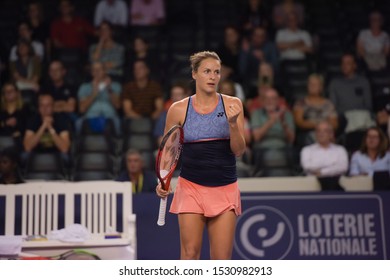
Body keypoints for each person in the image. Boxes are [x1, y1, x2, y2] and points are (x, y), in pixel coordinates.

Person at [155, 51, 246, 260]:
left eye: (217, 72)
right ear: (194, 74)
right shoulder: (177, 110)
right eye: (207, 71)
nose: (213, 76)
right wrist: (163, 181)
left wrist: (232, 124)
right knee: (189, 256)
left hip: (225, 190)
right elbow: (168, 151)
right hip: (191, 189)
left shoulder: (233, 105)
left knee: (221, 262)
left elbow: (239, 150)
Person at [300, 121, 349, 190]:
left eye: (325, 131)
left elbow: (343, 167)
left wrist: (322, 172)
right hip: (311, 188)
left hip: (335, 186)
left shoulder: (340, 150)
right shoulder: (307, 150)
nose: (321, 134)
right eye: (318, 131)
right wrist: (332, 165)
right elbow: (307, 166)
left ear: (331, 134)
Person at [77, 62, 121, 135]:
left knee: (117, 122)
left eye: (99, 69)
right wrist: (94, 93)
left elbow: (117, 106)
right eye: (94, 70)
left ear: (105, 71)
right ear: (91, 73)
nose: (96, 72)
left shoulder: (115, 86)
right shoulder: (84, 87)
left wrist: (109, 89)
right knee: (79, 123)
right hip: (90, 117)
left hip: (110, 117)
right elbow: (82, 109)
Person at [23, 93, 71, 163]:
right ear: (39, 108)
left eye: (48, 105)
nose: (45, 109)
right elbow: (27, 147)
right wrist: (43, 127)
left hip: (57, 153)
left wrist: (50, 128)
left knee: (65, 157)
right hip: (36, 153)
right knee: (24, 156)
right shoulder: (33, 120)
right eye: (42, 105)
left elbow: (64, 148)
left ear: (53, 107)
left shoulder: (61, 120)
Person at [293, 74, 338, 147]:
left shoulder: (328, 104)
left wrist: (323, 129)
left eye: (315, 84)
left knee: (328, 135)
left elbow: (335, 124)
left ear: (321, 87)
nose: (312, 86)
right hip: (308, 134)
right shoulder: (300, 103)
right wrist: (319, 125)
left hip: (327, 133)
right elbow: (299, 122)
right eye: (310, 84)